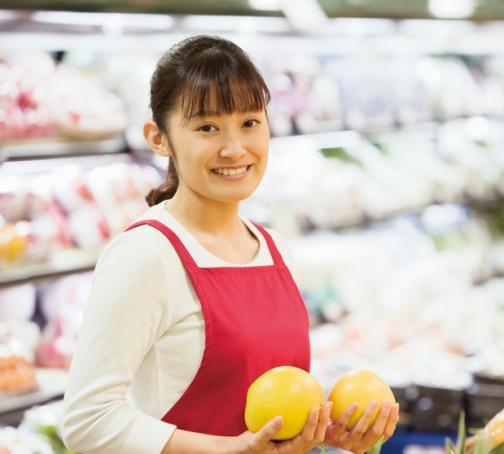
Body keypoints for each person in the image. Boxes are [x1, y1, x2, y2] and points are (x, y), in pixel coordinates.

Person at [61, 35, 399, 454]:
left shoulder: (274, 249)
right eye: (207, 127)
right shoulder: (146, 254)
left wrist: (324, 430)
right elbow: (86, 419)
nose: (234, 148)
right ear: (158, 137)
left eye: (250, 123)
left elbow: (264, 413)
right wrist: (224, 450)